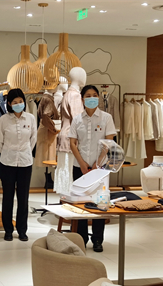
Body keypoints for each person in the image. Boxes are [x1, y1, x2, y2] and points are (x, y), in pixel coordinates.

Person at [68, 85, 117, 252]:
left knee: (100, 202)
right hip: (79, 166)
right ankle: (81, 237)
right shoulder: (77, 119)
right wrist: (82, 163)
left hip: (101, 168)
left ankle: (97, 239)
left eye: (94, 95)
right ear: (82, 99)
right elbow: (72, 143)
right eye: (88, 95)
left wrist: (98, 163)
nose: (91, 98)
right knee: (81, 202)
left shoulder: (106, 118)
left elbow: (109, 142)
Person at [0, 88, 37, 241]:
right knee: (7, 197)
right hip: (7, 162)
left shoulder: (30, 118)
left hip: (25, 163)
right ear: (9, 104)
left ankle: (22, 230)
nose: (19, 104)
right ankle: (8, 230)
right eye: (15, 102)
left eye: (21, 101)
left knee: (23, 198)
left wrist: (24, 151)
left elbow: (33, 139)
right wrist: (9, 152)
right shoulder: (4, 119)